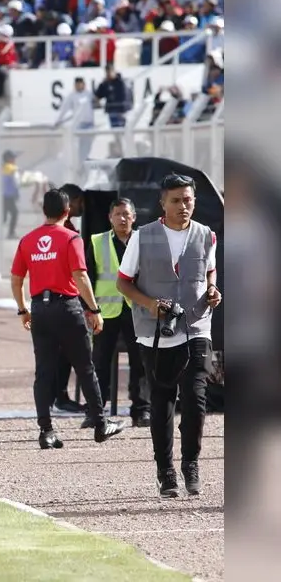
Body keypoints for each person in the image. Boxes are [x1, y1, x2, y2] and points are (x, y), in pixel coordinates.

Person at [116, 174, 221, 498]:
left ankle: (191, 463)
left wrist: (213, 289)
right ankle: (166, 470)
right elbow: (123, 282)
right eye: (175, 200)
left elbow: (209, 271)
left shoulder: (206, 235)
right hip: (156, 334)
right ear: (162, 203)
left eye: (188, 199)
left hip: (197, 326)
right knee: (162, 401)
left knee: (196, 398)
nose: (183, 206)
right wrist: (149, 304)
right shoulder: (143, 237)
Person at [10, 187, 126, 449]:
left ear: (44, 211)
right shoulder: (71, 238)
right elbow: (80, 276)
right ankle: (100, 423)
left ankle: (46, 430)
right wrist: (95, 310)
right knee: (85, 367)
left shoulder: (27, 240)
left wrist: (22, 309)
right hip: (67, 308)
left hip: (40, 309)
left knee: (44, 372)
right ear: (67, 211)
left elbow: (17, 279)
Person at [84, 198, 150, 427]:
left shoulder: (146, 241)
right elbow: (88, 277)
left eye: (126, 214)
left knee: (140, 362)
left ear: (134, 217)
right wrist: (89, 308)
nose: (122, 218)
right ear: (109, 217)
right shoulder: (97, 241)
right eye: (118, 214)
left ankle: (141, 411)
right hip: (106, 311)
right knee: (99, 361)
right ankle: (95, 413)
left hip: (138, 309)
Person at [50, 183, 89, 414]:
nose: (82, 207)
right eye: (80, 202)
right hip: (65, 296)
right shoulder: (67, 232)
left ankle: (56, 396)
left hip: (50, 298)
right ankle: (60, 397)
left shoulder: (61, 230)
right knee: (65, 350)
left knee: (58, 351)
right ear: (71, 202)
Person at [2, 151, 20, 239]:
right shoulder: (12, 168)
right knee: (14, 213)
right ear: (9, 159)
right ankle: (11, 233)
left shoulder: (3, 167)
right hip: (8, 196)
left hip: (3, 196)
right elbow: (15, 183)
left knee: (3, 216)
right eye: (13, 158)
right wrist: (17, 193)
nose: (14, 159)